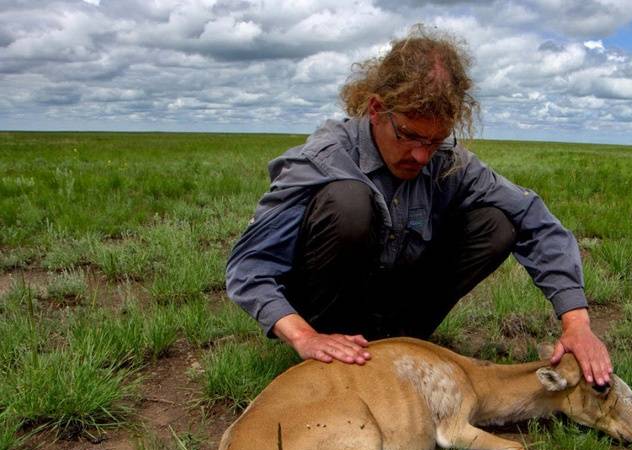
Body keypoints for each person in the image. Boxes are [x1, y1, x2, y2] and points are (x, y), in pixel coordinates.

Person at [226, 26, 612, 386]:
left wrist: (576, 323)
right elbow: (249, 267)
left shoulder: (445, 161)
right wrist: (305, 336)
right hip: (325, 318)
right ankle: (332, 352)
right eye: (409, 135)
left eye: (435, 140)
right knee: (348, 202)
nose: (421, 155)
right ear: (376, 109)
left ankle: (401, 341)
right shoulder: (325, 159)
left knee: (498, 222)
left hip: (394, 309)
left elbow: (533, 217)